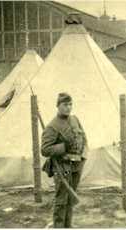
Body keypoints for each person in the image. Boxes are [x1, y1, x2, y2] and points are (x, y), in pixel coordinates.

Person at [41, 93, 87, 228]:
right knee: (62, 200)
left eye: (70, 104)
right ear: (58, 106)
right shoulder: (52, 126)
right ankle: (59, 226)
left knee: (71, 198)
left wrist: (83, 157)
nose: (68, 107)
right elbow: (45, 149)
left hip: (77, 165)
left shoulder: (75, 119)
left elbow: (83, 138)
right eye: (65, 105)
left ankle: (68, 225)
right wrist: (63, 147)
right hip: (62, 166)